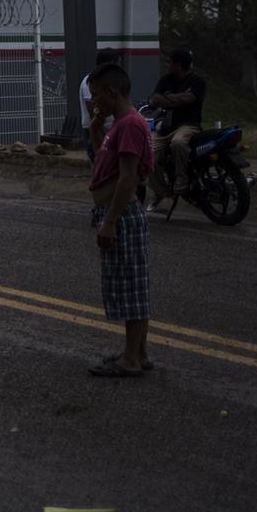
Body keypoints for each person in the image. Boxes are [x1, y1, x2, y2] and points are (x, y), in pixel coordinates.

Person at [86, 62, 154, 377]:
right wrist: (96, 129)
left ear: (113, 92)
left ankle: (131, 360)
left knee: (131, 288)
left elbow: (127, 178)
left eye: (97, 94)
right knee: (128, 285)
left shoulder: (129, 124)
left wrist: (110, 221)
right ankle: (137, 352)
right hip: (117, 211)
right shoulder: (118, 124)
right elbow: (105, 159)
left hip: (123, 214)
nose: (94, 100)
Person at [146, 49, 206, 208]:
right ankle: (161, 191)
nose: (168, 65)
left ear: (178, 65)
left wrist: (165, 99)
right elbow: (154, 99)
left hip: (188, 125)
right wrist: (177, 99)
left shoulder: (198, 81)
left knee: (178, 143)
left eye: (170, 62)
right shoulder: (166, 79)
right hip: (165, 127)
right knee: (148, 152)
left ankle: (182, 179)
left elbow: (189, 98)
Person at [80, 47, 120, 161]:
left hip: (109, 129)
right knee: (101, 165)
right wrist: (103, 138)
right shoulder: (90, 81)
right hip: (98, 132)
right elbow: (93, 111)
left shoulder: (107, 81)